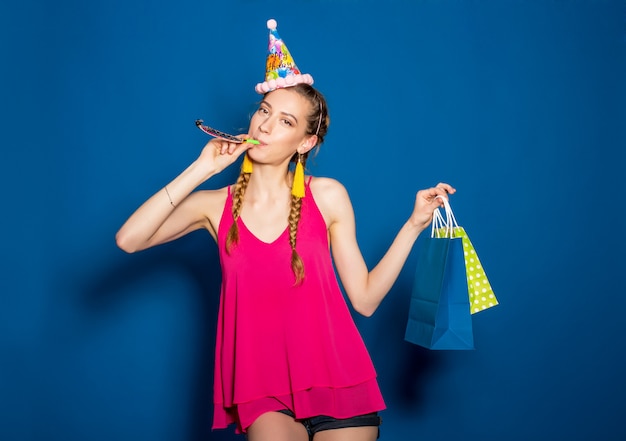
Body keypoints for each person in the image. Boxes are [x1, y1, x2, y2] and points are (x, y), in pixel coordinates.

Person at [116, 20, 454, 441]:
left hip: (339, 380)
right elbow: (129, 239)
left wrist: (413, 225)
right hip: (263, 391)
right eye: (264, 111)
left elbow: (365, 300)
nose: (264, 126)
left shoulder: (328, 196)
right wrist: (202, 168)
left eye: (285, 121)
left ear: (305, 143)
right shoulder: (214, 205)